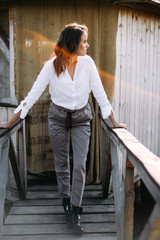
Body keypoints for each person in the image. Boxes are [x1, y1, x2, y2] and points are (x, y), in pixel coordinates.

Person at [0, 23, 126, 234]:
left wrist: (114, 121)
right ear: (73, 43)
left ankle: (75, 210)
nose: (88, 45)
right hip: (58, 118)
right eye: (84, 41)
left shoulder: (88, 64)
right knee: (62, 165)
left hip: (81, 119)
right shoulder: (51, 66)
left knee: (79, 165)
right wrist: (10, 122)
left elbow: (101, 96)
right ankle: (66, 202)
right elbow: (32, 96)